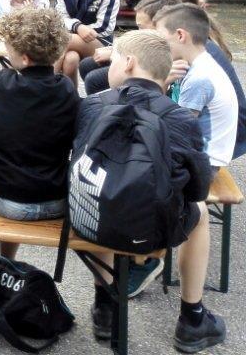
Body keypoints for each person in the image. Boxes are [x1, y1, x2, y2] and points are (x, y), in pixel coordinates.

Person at [76, 31, 222, 352]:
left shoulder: (91, 105)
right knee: (199, 214)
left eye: (113, 59)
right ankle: (192, 318)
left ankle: (104, 304)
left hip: (86, 219)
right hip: (151, 230)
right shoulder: (180, 117)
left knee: (100, 192)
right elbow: (197, 187)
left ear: (128, 63)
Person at [0, 8, 77, 271]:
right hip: (55, 199)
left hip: (8, 202)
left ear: (22, 58)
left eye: (8, 49)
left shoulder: (2, 82)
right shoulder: (66, 87)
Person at [146, 0, 245, 158]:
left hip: (212, 150)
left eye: (155, 1)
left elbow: (181, 129)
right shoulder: (196, 53)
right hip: (207, 142)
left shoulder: (199, 71)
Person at [154, 4, 237, 170]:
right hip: (204, 156)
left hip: (204, 164)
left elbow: (178, 130)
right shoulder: (201, 63)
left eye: (161, 38)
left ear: (180, 35)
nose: (159, 44)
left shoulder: (199, 78)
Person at [79, 0, 167, 94]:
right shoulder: (149, 1)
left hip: (151, 62)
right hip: (141, 54)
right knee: (87, 65)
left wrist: (115, 53)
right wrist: (115, 50)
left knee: (93, 79)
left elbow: (157, 46)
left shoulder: (160, 6)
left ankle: (111, 108)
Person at [56, 0, 119, 87]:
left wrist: (77, 29)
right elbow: (60, 17)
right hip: (72, 36)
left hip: (99, 42)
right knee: (70, 59)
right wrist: (78, 27)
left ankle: (45, 86)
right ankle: (71, 99)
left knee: (63, 39)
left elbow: (105, 27)